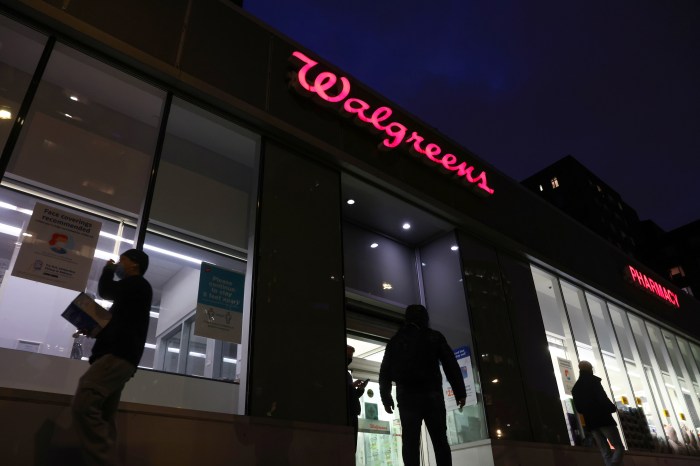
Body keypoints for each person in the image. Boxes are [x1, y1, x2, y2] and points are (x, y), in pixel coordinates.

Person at [71, 249, 152, 466]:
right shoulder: (131, 295)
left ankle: (102, 460)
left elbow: (106, 290)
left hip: (117, 355)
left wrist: (107, 270)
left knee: (85, 402)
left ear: (134, 265)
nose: (118, 264)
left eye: (121, 260)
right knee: (105, 415)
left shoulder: (138, 284)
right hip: (121, 356)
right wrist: (93, 328)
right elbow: (118, 325)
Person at [379, 304, 466, 466]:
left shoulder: (395, 341)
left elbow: (384, 371)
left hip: (407, 398)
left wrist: (386, 397)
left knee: (410, 443)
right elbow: (450, 365)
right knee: (440, 441)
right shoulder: (434, 337)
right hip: (432, 396)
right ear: (425, 318)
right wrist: (460, 392)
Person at [571, 360, 625, 466]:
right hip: (604, 419)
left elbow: (579, 409)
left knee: (605, 451)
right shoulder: (594, 382)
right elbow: (602, 398)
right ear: (589, 369)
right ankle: (613, 464)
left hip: (591, 423)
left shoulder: (576, 388)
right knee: (619, 447)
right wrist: (612, 408)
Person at [346, 345, 368, 450]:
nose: (350, 359)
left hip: (352, 412)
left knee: (351, 446)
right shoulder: (340, 373)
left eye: (351, 356)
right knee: (349, 446)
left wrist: (359, 389)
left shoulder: (347, 375)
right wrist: (352, 387)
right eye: (348, 355)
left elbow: (351, 395)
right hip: (347, 413)